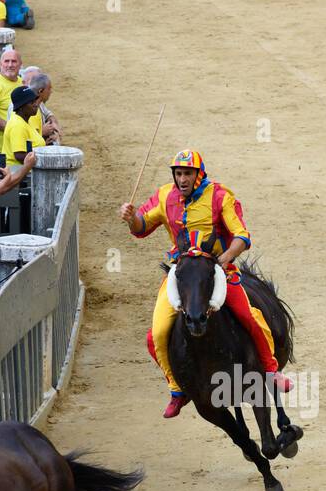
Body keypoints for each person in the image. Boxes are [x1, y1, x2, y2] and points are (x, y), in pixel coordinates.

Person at [118, 149, 290, 419]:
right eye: (178, 174)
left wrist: (225, 257)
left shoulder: (221, 196)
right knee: (157, 334)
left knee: (249, 315)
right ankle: (177, 389)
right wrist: (131, 219)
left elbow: (241, 235)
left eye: (187, 173)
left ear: (198, 175)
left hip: (218, 270)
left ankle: (271, 370)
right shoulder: (164, 196)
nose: (182, 179)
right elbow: (141, 227)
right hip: (183, 274)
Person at [2, 85, 44, 165]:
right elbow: (20, 156)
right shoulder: (17, 125)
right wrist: (45, 159)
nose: (36, 104)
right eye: (31, 102)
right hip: (18, 172)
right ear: (21, 106)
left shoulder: (26, 121)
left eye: (35, 101)